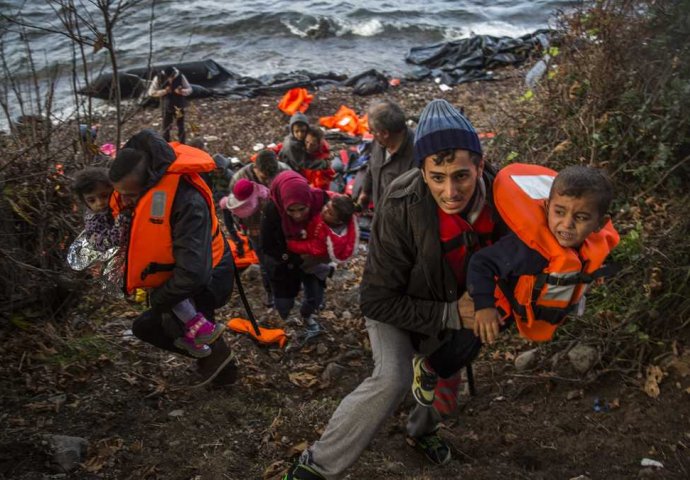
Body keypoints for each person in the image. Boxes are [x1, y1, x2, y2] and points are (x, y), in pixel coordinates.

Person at [283, 99, 507, 479]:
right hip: (396, 304)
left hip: (458, 300)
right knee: (393, 378)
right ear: (423, 171)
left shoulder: (503, 199)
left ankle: (422, 432)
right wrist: (453, 313)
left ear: (480, 166)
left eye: (461, 176)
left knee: (445, 362)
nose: (451, 191)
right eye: (438, 177)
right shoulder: (401, 203)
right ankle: (317, 467)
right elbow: (376, 298)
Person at [411, 164, 620, 408]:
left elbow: (590, 260)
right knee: (465, 345)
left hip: (516, 307)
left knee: (473, 348)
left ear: (599, 223)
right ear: (547, 207)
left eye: (581, 217)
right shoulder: (527, 249)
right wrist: (484, 307)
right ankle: (427, 365)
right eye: (559, 212)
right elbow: (482, 263)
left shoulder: (587, 244)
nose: (567, 224)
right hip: (494, 301)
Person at [108, 129, 237, 384]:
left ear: (150, 183)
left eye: (131, 195)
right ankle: (212, 361)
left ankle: (222, 374)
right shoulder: (142, 188)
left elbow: (193, 274)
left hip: (209, 276)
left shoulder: (186, 201)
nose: (125, 201)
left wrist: (158, 298)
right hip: (183, 277)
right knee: (179, 325)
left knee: (153, 326)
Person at [259, 170, 330, 337]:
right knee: (284, 302)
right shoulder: (272, 210)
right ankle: (284, 320)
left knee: (315, 296)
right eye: (291, 210)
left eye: (302, 209)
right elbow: (267, 245)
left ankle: (307, 315)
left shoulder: (321, 200)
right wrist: (291, 256)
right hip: (284, 263)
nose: (297, 216)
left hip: (313, 260)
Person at [224, 150, 290, 307]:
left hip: (280, 225)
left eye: (271, 177)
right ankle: (271, 292)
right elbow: (233, 208)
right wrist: (243, 227)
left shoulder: (285, 172)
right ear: (255, 167)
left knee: (284, 257)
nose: (268, 181)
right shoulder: (239, 179)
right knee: (265, 261)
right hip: (256, 228)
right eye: (264, 177)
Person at [356, 99, 415, 211]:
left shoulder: (417, 157)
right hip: (380, 213)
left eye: (372, 131)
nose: (370, 134)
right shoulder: (379, 142)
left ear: (385, 133)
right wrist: (365, 192)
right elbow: (371, 166)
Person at [286, 195, 358, 263]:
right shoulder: (327, 216)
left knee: (305, 265)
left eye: (330, 213)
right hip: (311, 237)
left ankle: (324, 271)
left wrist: (291, 244)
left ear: (338, 221)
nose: (325, 210)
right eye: (327, 205)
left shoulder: (331, 238)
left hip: (320, 254)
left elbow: (312, 247)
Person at [148, 66, 192, 144]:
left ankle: (182, 144)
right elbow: (151, 92)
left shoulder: (180, 76)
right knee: (166, 127)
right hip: (166, 105)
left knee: (180, 126)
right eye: (168, 78)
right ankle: (166, 144)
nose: (170, 80)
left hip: (179, 105)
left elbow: (190, 89)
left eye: (172, 77)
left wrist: (182, 91)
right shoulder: (158, 78)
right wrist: (164, 91)